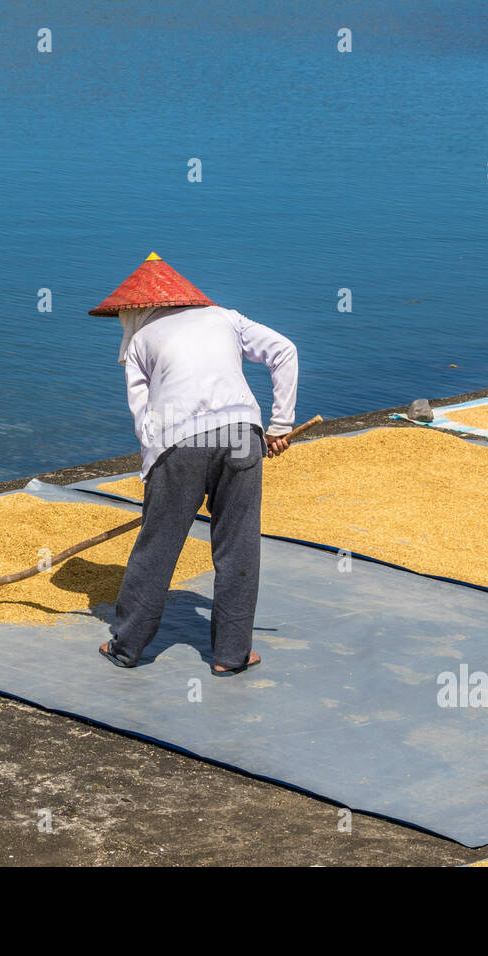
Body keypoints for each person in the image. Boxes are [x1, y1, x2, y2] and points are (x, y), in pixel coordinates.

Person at [90, 253, 299, 674]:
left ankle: (127, 647)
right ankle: (231, 655)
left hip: (178, 442)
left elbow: (144, 420)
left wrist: (155, 480)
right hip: (242, 434)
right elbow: (284, 351)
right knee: (238, 545)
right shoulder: (225, 318)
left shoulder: (140, 343)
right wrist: (279, 426)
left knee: (158, 545)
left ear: (135, 308)